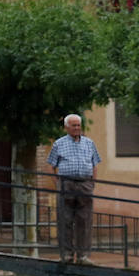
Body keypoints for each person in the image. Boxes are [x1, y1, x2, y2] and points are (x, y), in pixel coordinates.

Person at [46, 113, 102, 264]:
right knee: (65, 220)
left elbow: (95, 164)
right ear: (66, 127)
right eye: (74, 125)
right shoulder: (59, 144)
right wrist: (58, 183)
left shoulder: (89, 143)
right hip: (67, 184)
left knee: (85, 221)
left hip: (85, 184)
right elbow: (51, 166)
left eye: (78, 125)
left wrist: (92, 183)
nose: (77, 128)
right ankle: (67, 255)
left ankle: (83, 256)